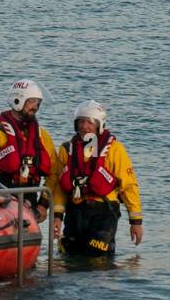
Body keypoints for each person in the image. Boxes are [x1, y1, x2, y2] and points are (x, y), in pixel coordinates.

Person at [50, 100, 143, 256]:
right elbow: (60, 187)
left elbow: (129, 186)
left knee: (97, 257)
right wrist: (57, 217)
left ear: (99, 125)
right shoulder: (67, 150)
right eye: (81, 121)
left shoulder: (115, 150)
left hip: (104, 212)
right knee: (67, 253)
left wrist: (136, 222)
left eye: (89, 122)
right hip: (75, 211)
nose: (84, 126)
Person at [0, 79, 56, 222]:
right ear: (18, 101)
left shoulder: (42, 136)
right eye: (32, 101)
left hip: (30, 207)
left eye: (38, 102)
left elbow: (54, 173)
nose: (35, 106)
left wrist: (43, 204)